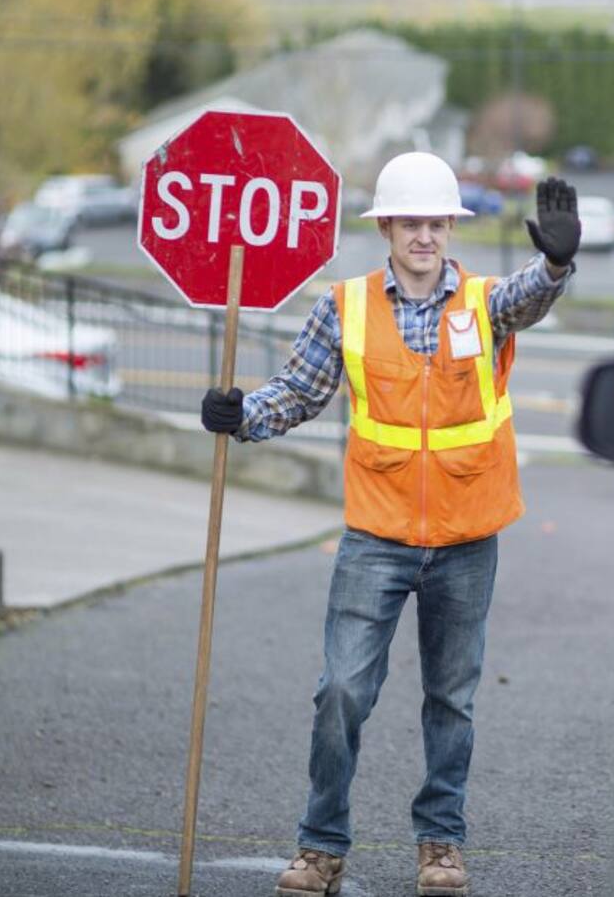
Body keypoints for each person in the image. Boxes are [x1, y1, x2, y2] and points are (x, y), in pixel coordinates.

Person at [200, 151, 580, 897]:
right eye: (412, 222)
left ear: (448, 228)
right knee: (341, 690)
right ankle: (320, 847)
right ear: (388, 229)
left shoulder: (482, 302)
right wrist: (243, 414)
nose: (426, 235)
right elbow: (300, 390)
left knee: (451, 700)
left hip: (468, 536)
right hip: (376, 535)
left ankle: (440, 845)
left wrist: (558, 267)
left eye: (437, 222)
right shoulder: (343, 306)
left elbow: (529, 297)